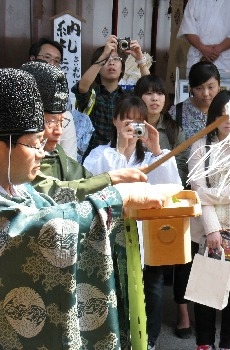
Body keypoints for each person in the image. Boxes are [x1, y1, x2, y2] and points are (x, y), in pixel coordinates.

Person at [0, 67, 169, 349]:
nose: (43, 150)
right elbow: (36, 229)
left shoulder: (20, 186)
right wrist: (114, 198)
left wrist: (114, 201)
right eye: (32, 143)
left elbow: (56, 203)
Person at [20, 60, 148, 202]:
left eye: (62, 122)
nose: (59, 131)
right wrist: (109, 178)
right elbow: (51, 191)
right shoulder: (19, 155)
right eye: (50, 122)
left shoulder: (58, 154)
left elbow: (88, 179)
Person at [189, 90, 230, 350]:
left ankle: (229, 344)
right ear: (213, 116)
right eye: (222, 114)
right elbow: (197, 190)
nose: (227, 120)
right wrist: (212, 229)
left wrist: (207, 194)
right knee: (205, 291)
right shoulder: (200, 146)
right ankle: (204, 343)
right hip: (209, 231)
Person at [167, 60, 222, 339]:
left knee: (211, 251)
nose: (206, 94)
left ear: (219, 85)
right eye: (199, 88)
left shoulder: (224, 114)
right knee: (184, 256)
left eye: (211, 86)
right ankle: (183, 312)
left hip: (214, 194)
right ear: (191, 89)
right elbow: (171, 153)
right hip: (184, 190)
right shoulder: (177, 112)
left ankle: (208, 311)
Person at [133, 75, 189, 347]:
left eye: (160, 94)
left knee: (154, 279)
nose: (155, 99)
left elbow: (181, 169)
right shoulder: (128, 124)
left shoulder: (173, 129)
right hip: (131, 208)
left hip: (161, 207)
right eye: (149, 93)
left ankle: (151, 337)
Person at [72, 34, 150, 159]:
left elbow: (149, 89)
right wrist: (104, 54)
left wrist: (140, 59)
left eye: (116, 59)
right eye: (107, 59)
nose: (111, 62)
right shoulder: (92, 95)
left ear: (122, 68)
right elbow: (82, 87)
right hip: (93, 159)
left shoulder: (129, 97)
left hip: (124, 156)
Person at [28, 37, 78, 160]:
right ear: (32, 59)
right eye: (47, 58)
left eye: (56, 61)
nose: (51, 64)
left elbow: (70, 160)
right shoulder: (17, 90)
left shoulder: (62, 103)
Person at [177, 0, 230, 78]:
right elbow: (188, 29)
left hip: (223, 60)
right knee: (196, 86)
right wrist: (202, 48)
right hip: (198, 57)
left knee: (224, 88)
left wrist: (216, 51)